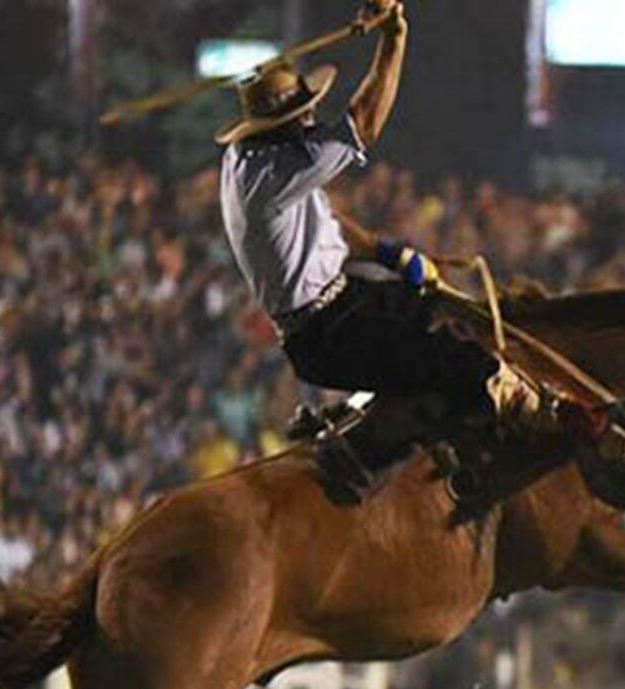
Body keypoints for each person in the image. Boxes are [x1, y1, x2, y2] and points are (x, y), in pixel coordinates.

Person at [216, 0, 572, 500]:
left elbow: (330, 227)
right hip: (328, 331)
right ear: (281, 126)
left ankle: (368, 424)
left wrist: (392, 256)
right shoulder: (278, 175)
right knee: (462, 366)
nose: (313, 113)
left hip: (343, 304)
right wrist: (394, 37)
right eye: (303, 110)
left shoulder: (247, 159)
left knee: (445, 318)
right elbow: (363, 120)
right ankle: (374, 451)